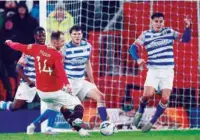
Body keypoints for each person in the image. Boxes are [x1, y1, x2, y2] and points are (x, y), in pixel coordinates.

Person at [5, 31, 90, 136]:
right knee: (78, 105)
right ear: (55, 42)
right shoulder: (56, 55)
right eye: (62, 41)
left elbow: (20, 46)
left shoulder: (36, 48)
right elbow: (61, 71)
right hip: (54, 91)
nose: (64, 43)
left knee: (53, 108)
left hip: (41, 92)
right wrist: (67, 85)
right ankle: (76, 120)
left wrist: (9, 43)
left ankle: (33, 125)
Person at [129, 12, 191, 132]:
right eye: (156, 21)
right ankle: (140, 111)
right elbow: (132, 48)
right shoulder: (145, 35)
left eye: (161, 21)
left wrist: (188, 27)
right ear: (152, 22)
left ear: (164, 22)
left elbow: (186, 39)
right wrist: (137, 58)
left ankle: (152, 122)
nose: (158, 24)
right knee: (147, 95)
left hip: (168, 71)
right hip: (153, 70)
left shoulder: (169, 32)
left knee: (165, 99)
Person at [62, 25, 108, 123]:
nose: (77, 36)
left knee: (100, 97)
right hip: (69, 82)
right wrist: (63, 83)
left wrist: (92, 82)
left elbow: (87, 63)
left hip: (81, 81)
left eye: (79, 34)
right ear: (70, 35)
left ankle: (105, 124)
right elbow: (60, 67)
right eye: (74, 34)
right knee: (74, 109)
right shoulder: (65, 48)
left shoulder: (87, 46)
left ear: (82, 34)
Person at [0, 27, 45, 111]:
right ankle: (2, 104)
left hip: (42, 83)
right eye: (40, 36)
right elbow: (18, 69)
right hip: (29, 83)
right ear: (35, 36)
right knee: (15, 107)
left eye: (44, 36)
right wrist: (28, 81)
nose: (42, 38)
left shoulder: (48, 50)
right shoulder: (29, 50)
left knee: (54, 103)